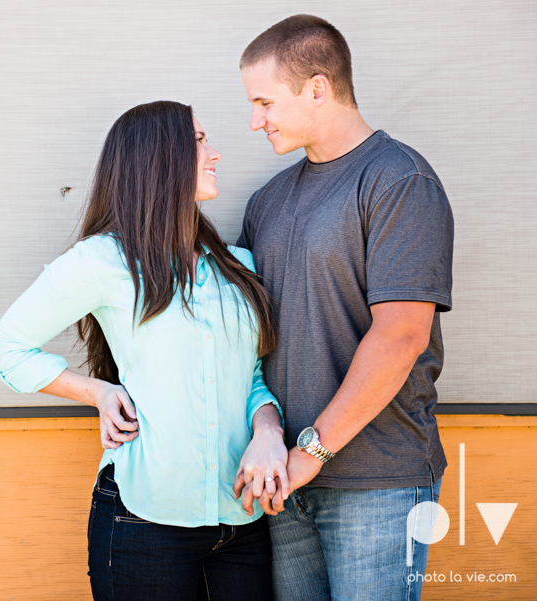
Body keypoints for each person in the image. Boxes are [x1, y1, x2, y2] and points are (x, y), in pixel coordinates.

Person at [0, 101, 285, 600]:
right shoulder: (102, 261)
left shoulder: (238, 264)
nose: (215, 153)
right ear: (159, 158)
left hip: (242, 524)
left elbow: (249, 374)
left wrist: (268, 429)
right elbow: (6, 351)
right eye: (200, 141)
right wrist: (98, 393)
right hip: (143, 525)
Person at [235, 15, 454, 601]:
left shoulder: (398, 181)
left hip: (376, 481)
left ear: (316, 88)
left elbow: (402, 336)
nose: (254, 120)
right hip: (285, 481)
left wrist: (313, 451)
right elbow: (248, 335)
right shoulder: (268, 201)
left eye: (264, 102)